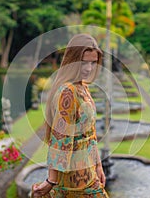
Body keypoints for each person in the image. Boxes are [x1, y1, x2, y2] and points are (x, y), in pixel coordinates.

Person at [31, 33, 109, 198]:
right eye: (83, 62)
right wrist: (51, 181)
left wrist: (98, 166)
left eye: (93, 63)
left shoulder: (82, 87)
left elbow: (91, 134)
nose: (88, 68)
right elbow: (60, 137)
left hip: (88, 174)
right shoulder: (68, 91)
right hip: (74, 179)